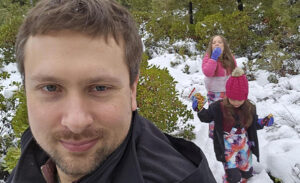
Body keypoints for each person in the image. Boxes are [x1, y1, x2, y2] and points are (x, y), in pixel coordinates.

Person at [6, 0, 217, 183]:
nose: (76, 122)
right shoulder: (32, 155)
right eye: (50, 88)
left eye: (100, 88)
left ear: (132, 91)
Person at [192, 67, 274, 183]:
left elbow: (253, 124)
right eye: (232, 99)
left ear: (245, 97)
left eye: (240, 99)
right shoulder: (218, 107)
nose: (236, 102)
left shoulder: (249, 108)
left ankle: (245, 173)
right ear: (228, 95)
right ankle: (229, 178)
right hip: (227, 145)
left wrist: (262, 122)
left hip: (244, 143)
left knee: (247, 172)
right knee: (234, 177)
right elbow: (207, 117)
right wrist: (199, 109)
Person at [202, 35, 237, 139]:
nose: (217, 44)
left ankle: (229, 134)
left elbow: (235, 72)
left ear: (224, 45)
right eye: (214, 42)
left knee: (229, 114)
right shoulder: (208, 57)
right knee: (215, 114)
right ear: (211, 46)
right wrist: (214, 58)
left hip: (228, 92)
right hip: (214, 93)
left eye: (220, 42)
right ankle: (215, 135)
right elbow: (207, 72)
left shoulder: (230, 57)